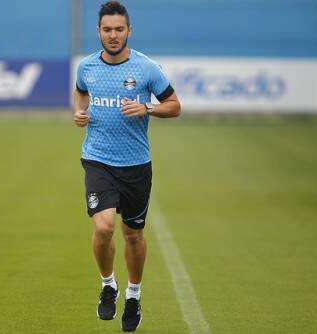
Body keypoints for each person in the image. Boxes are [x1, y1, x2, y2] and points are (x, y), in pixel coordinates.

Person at [73, 1, 181, 332]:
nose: (113, 35)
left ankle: (133, 295)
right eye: (107, 29)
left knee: (133, 234)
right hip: (97, 160)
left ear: (129, 30)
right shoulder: (87, 67)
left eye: (119, 29)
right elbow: (81, 93)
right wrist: (80, 114)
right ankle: (109, 285)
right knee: (103, 228)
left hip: (135, 165)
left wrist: (147, 107)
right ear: (99, 32)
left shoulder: (147, 68)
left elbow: (174, 106)